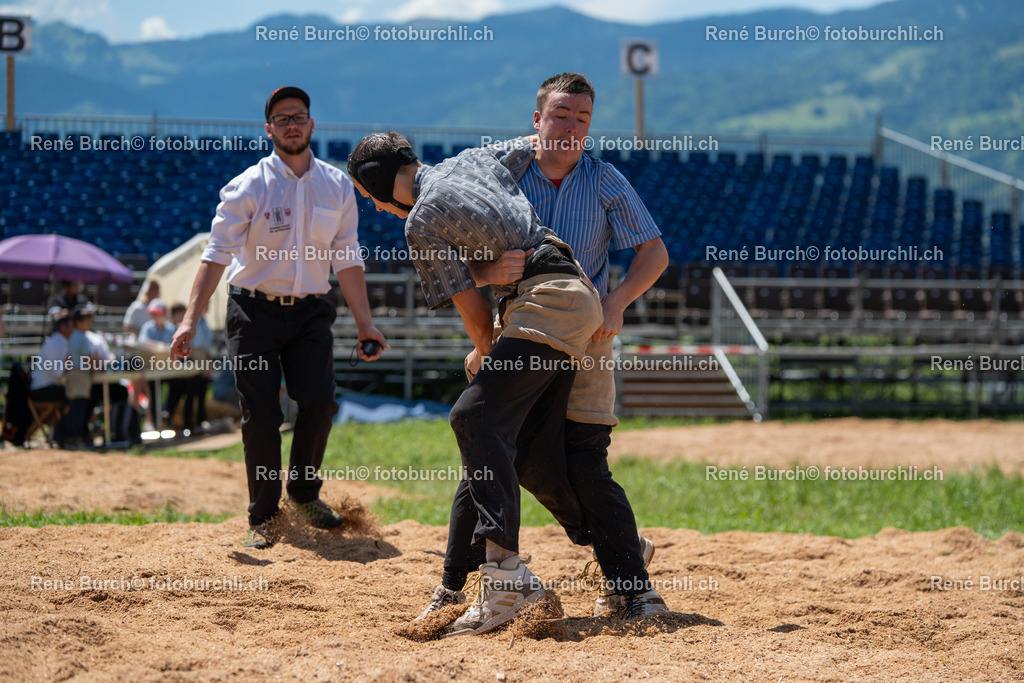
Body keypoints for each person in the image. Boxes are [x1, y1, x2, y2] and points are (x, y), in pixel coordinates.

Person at [419, 73, 671, 621]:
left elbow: (655, 253)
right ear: (537, 120)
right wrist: (485, 318)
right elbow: (462, 262)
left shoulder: (605, 181)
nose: (572, 126)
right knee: (489, 448)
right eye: (561, 115)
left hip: (590, 337)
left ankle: (631, 580)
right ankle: (455, 586)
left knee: (583, 461)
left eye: (582, 118)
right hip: (524, 331)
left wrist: (618, 302)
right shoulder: (503, 177)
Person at [347, 131, 603, 637]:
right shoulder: (471, 158)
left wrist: (487, 352)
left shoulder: (420, 222)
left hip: (542, 303)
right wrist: (492, 258)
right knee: (507, 450)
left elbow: (476, 318)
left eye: (368, 197)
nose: (375, 209)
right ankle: (611, 547)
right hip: (567, 293)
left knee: (473, 417)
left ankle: (506, 578)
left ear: (377, 184)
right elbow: (539, 140)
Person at [170, 86, 387, 550]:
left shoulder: (336, 185)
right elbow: (214, 256)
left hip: (311, 311)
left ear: (312, 125)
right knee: (262, 414)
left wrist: (365, 323)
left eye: (300, 115)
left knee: (319, 401)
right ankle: (264, 516)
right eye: (282, 117)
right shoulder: (249, 185)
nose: (292, 123)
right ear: (268, 129)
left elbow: (347, 259)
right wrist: (189, 320)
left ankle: (304, 494)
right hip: (254, 311)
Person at [29, 309, 73, 446]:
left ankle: (61, 434)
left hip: (48, 387)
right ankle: (63, 435)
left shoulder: (59, 342)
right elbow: (60, 373)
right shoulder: (56, 343)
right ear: (63, 327)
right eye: (71, 325)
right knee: (76, 397)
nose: (73, 329)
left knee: (75, 395)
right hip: (42, 390)